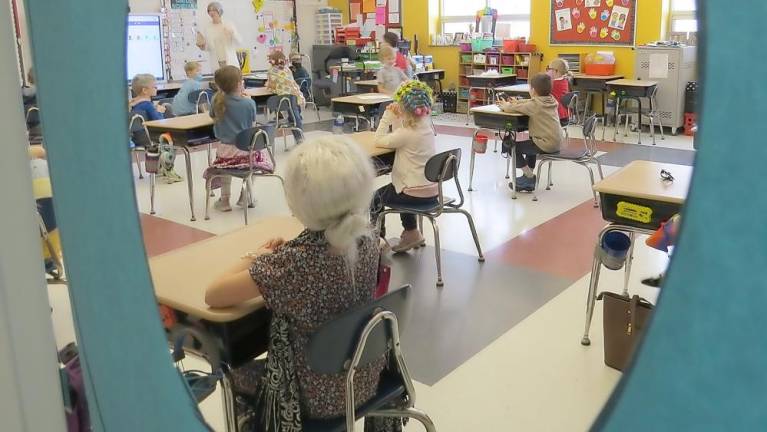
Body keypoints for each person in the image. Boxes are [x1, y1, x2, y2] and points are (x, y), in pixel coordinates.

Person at [205, 136, 392, 429]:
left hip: (314, 397)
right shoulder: (369, 239)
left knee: (232, 371)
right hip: (366, 375)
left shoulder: (293, 264)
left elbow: (214, 294)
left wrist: (258, 255)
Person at [371, 80, 437, 252]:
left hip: (411, 194)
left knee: (375, 197)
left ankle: (377, 240)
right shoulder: (427, 129)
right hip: (432, 192)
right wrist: (400, 119)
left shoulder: (406, 134)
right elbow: (399, 135)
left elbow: (378, 139)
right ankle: (411, 232)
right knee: (402, 186)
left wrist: (389, 117)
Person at [206, 65, 272, 212]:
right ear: (239, 84)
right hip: (245, 153)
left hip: (225, 154)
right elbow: (252, 125)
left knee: (225, 173)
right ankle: (245, 197)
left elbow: (212, 117)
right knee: (256, 160)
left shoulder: (216, 101)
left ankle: (224, 201)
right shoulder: (249, 103)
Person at [497, 73, 564, 192]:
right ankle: (527, 180)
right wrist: (517, 102)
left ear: (532, 90)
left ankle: (529, 176)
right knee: (531, 141)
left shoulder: (534, 105)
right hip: (555, 142)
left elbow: (508, 109)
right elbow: (531, 102)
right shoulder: (551, 100)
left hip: (544, 144)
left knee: (510, 146)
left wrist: (506, 105)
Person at [129, 74, 183, 183]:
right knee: (176, 139)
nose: (156, 88)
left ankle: (159, 168)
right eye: (154, 86)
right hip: (149, 138)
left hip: (137, 137)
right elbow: (159, 122)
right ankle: (167, 167)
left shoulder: (133, 103)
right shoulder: (147, 104)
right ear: (145, 90)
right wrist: (160, 111)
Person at [266, 50, 306, 144]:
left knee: (293, 117)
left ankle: (299, 138)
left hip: (283, 99)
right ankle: (299, 138)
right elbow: (291, 82)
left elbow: (271, 86)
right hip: (295, 96)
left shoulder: (271, 71)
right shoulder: (287, 70)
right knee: (296, 117)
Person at [196, 2, 242, 69]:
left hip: (230, 61)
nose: (211, 12)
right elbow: (209, 47)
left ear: (219, 11)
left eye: (214, 10)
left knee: (231, 78)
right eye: (209, 10)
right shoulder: (208, 27)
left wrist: (232, 34)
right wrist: (202, 46)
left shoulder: (228, 24)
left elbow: (239, 42)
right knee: (219, 78)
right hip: (216, 62)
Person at [547, 58, 572, 125]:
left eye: (549, 69)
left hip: (556, 117)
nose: (548, 71)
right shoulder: (565, 81)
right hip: (564, 115)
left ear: (556, 71)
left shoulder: (553, 84)